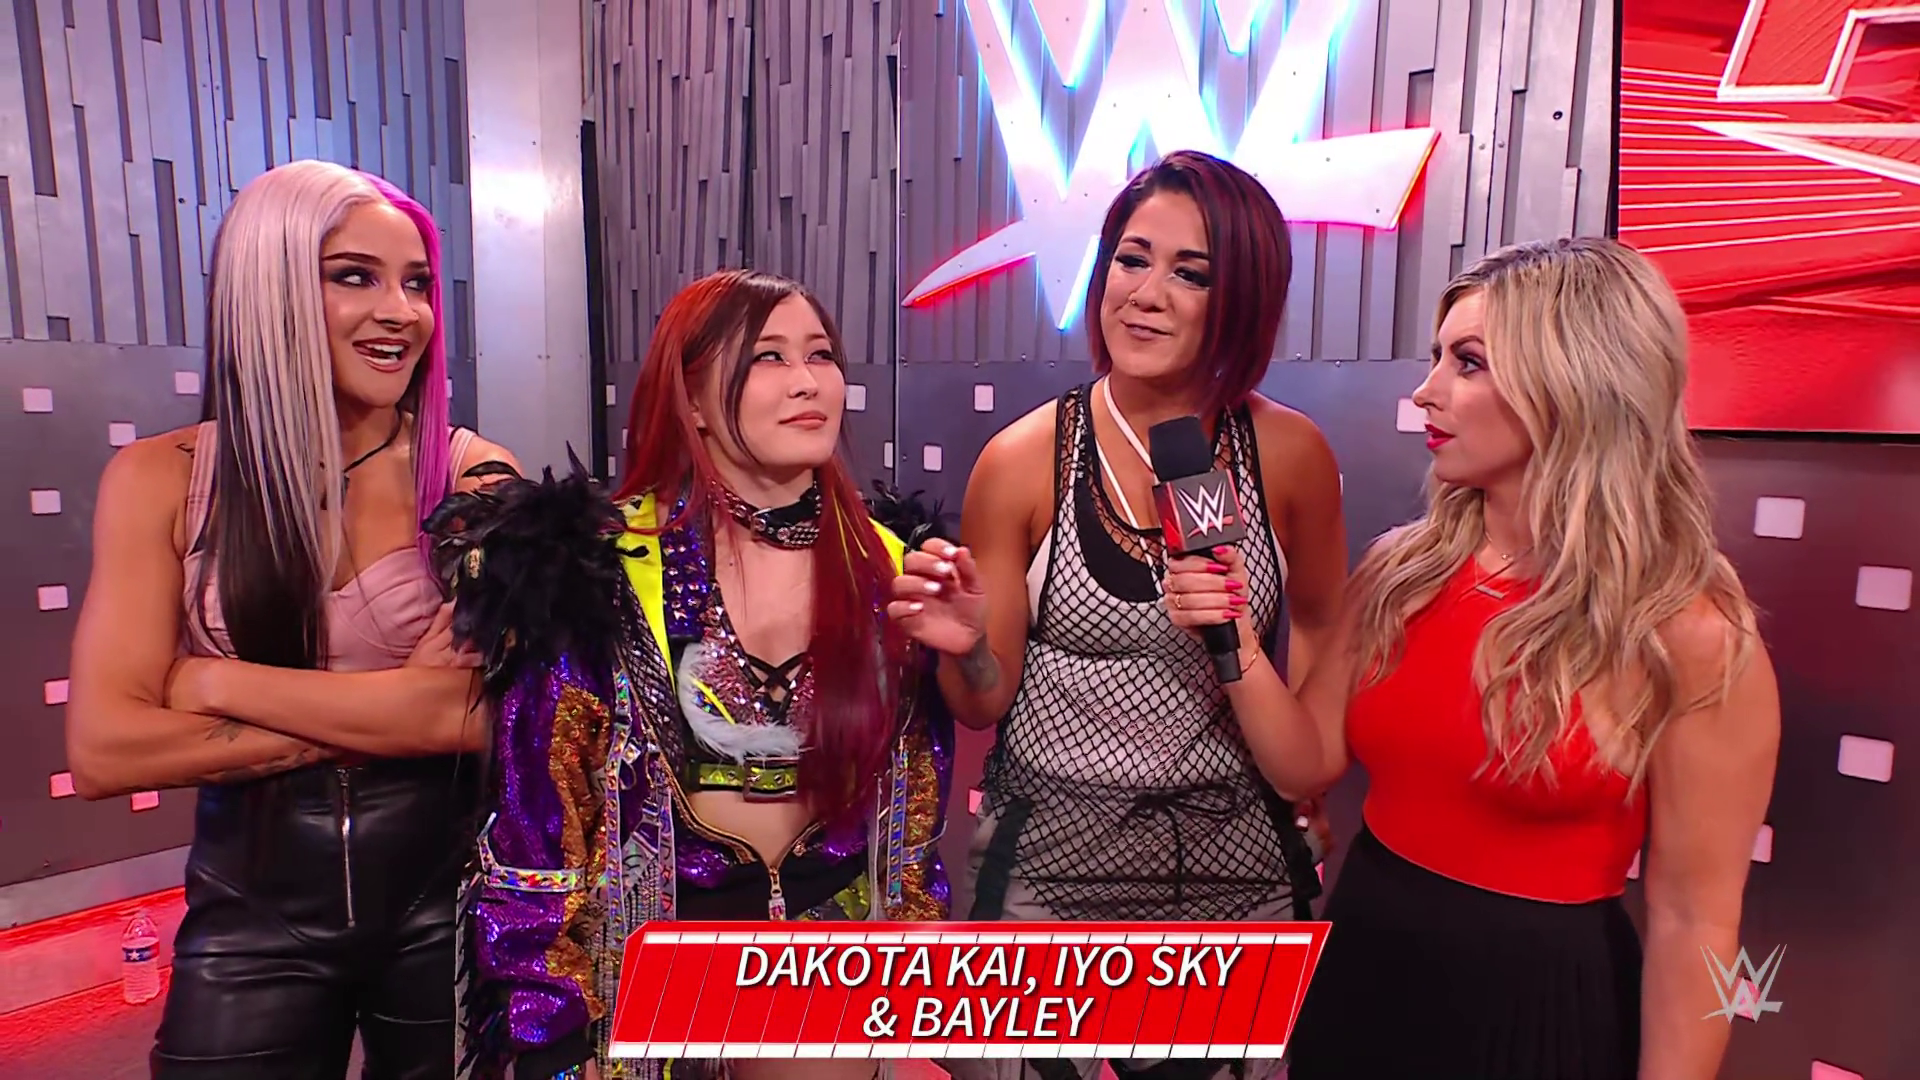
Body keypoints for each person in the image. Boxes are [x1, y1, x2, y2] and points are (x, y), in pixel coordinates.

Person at [1175, 237, 1779, 1080]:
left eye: (1468, 363)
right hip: (1364, 970)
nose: (1426, 392)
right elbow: (1303, 762)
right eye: (1437, 358)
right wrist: (1233, 635)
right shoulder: (1400, 570)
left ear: (1575, 381)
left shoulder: (1690, 632)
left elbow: (1698, 924)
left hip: (1540, 1014)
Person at [894, 150, 1348, 1080]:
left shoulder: (1289, 454)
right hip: (1047, 868)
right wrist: (967, 648)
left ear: (1243, 299)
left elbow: (1322, 634)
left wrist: (1294, 745)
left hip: (1232, 870)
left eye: (1191, 274)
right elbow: (982, 702)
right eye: (1131, 260)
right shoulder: (1021, 459)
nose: (1145, 294)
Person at [436, 269, 954, 1080]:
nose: (807, 381)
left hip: (829, 953)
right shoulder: (598, 569)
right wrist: (549, 1035)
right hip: (650, 961)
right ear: (694, 400)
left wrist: (912, 979)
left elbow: (912, 805)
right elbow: (541, 822)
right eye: (768, 357)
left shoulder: (887, 566)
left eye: (820, 354)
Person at [64, 159, 519, 1079]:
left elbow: (471, 719)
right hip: (248, 913)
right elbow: (108, 750)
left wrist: (211, 680)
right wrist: (390, 712)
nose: (401, 312)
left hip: (452, 901)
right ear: (266, 287)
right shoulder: (160, 480)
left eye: (417, 283)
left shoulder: (475, 477)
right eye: (355, 276)